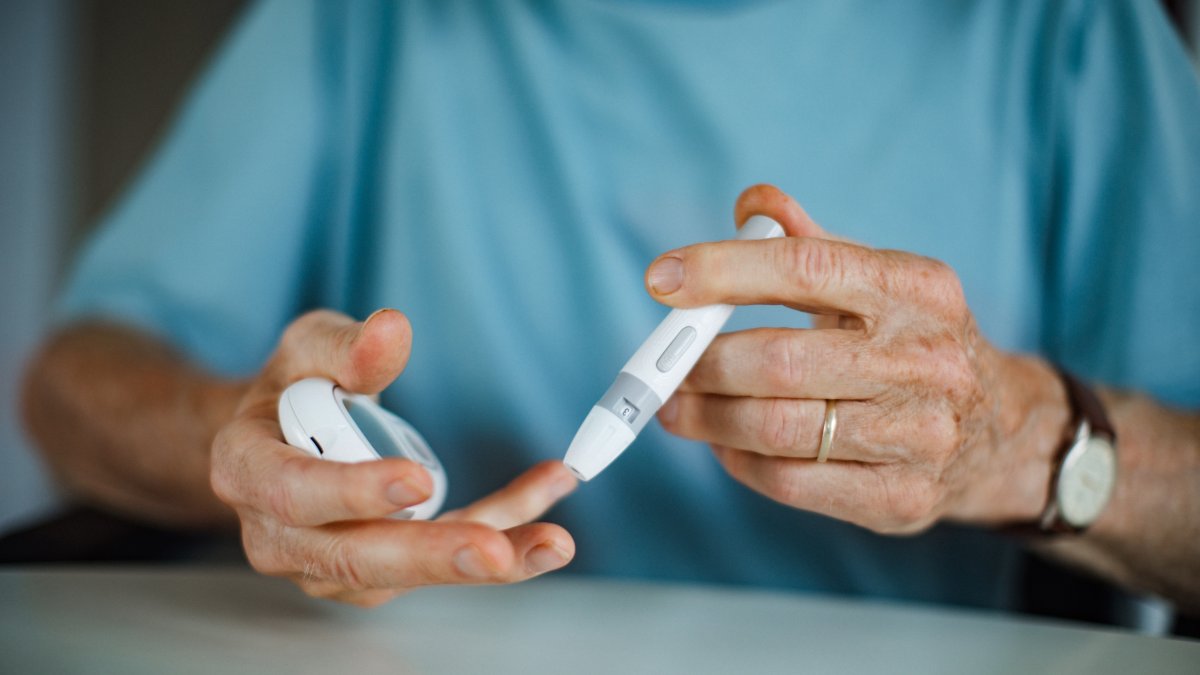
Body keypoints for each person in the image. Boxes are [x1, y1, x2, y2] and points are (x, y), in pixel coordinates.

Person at [22, 0, 1200, 611]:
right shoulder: (367, 19)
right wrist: (247, 444)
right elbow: (75, 382)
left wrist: (1027, 443)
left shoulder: (1062, 26)